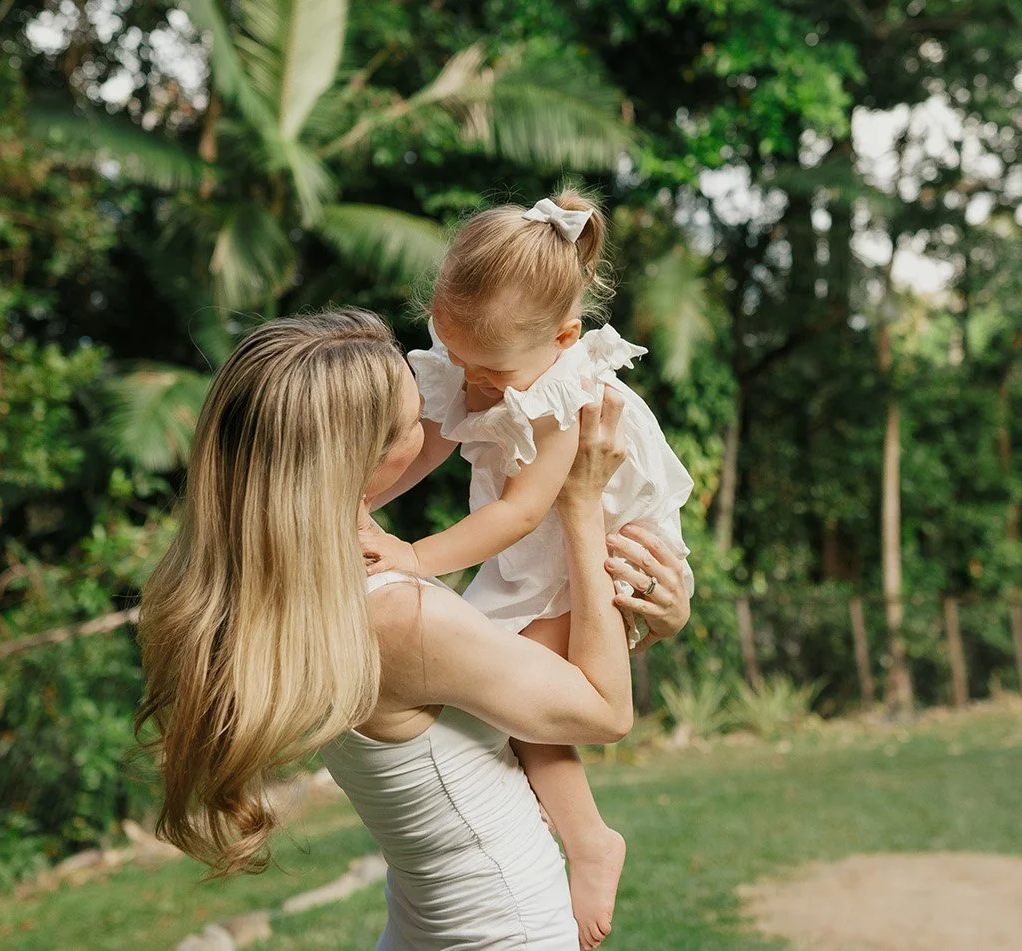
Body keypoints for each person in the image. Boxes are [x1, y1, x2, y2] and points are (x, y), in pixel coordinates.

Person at [136, 310, 691, 950]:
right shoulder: (399, 616)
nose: (442, 414)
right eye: (415, 418)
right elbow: (605, 710)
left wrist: (653, 609)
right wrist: (584, 504)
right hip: (506, 929)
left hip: (420, 926)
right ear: (361, 461)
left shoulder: (274, 587)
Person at [361, 190, 694, 948]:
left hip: (602, 554)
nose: (472, 384)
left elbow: (517, 511)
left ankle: (590, 841)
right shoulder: (478, 361)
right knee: (503, 696)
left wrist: (414, 556)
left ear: (565, 336)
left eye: (490, 371)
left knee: (529, 707)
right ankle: (575, 831)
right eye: (459, 359)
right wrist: (355, 496)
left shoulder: (569, 397)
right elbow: (429, 443)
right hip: (537, 559)